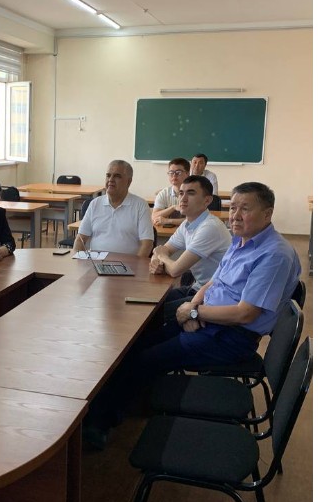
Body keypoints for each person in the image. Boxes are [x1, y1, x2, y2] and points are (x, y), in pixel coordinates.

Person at [85, 182, 301, 450]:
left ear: (267, 214)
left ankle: (99, 423)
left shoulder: (274, 254)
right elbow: (214, 282)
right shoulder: (241, 240)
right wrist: (193, 307)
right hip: (210, 320)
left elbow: (245, 314)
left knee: (145, 359)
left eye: (245, 209)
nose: (235, 215)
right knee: (136, 343)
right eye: (233, 208)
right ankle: (121, 405)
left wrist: (195, 311)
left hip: (231, 337)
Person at [148, 175, 232, 310]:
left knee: (155, 312)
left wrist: (161, 257)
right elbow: (164, 250)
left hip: (215, 295)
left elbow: (175, 270)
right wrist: (156, 262)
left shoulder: (210, 227)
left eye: (191, 193)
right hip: (197, 288)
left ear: (207, 200)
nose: (183, 198)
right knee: (149, 301)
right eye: (181, 193)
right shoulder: (187, 223)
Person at [73, 160, 154, 257]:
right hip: (96, 262)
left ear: (129, 182)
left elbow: (147, 244)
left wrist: (135, 265)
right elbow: (80, 240)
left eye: (117, 176)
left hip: (128, 264)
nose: (110, 180)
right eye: (108, 175)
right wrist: (80, 260)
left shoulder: (140, 205)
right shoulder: (95, 204)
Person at [151, 157, 190, 225]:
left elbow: (197, 219)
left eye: (178, 172)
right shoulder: (163, 193)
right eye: (171, 172)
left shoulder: (194, 193)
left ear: (187, 174)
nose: (174, 175)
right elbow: (154, 217)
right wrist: (173, 207)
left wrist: (168, 221)